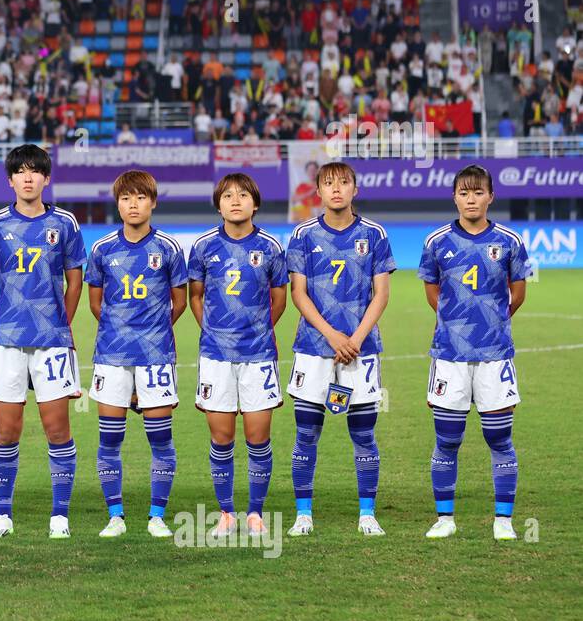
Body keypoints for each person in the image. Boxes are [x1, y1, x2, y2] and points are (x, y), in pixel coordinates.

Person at [0, 144, 86, 539]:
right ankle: (3, 515)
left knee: (57, 429)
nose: (28, 177)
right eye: (20, 172)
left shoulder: (67, 224)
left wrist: (61, 323)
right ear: (10, 180)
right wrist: (4, 318)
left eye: (35, 171)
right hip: (5, 341)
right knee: (6, 431)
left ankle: (60, 517)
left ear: (46, 178)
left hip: (52, 341)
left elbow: (75, 281)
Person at [285, 162, 395, 537]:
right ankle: (303, 514)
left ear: (355, 189)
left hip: (361, 349)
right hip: (315, 348)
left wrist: (356, 339)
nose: (336, 190)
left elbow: (381, 294)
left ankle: (367, 513)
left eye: (344, 183)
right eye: (329, 183)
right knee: (306, 433)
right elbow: (298, 293)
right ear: (318, 190)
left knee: (364, 434)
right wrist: (332, 335)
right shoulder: (301, 235)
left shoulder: (375, 234)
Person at [419, 166, 528, 540]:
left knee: (499, 439)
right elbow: (433, 292)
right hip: (449, 355)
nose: (471, 199)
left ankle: (503, 521)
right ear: (454, 197)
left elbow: (518, 292)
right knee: (447, 439)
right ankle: (445, 519)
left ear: (490, 197)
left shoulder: (510, 241)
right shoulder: (436, 241)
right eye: (464, 193)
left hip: (495, 355)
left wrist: (490, 323)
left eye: (478, 192)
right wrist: (457, 323)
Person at [86, 170, 187, 539]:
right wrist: (122, 332)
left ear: (153, 202)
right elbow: (96, 304)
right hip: (111, 356)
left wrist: (150, 334)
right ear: (118, 203)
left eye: (140, 197)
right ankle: (115, 515)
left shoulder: (169, 249)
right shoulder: (102, 250)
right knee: (109, 439)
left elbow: (179, 303)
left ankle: (156, 515)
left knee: (160, 438)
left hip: (156, 356)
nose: (133, 204)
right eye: (126, 198)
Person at [188, 173, 288, 539]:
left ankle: (256, 513)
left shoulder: (271, 247)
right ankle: (226, 513)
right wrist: (212, 330)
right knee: (222, 436)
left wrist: (260, 329)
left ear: (255, 203)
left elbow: (279, 298)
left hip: (258, 355)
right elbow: (195, 295)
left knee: (258, 436)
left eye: (243, 195)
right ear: (218, 204)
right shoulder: (203, 247)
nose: (235, 200)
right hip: (216, 356)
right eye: (227, 195)